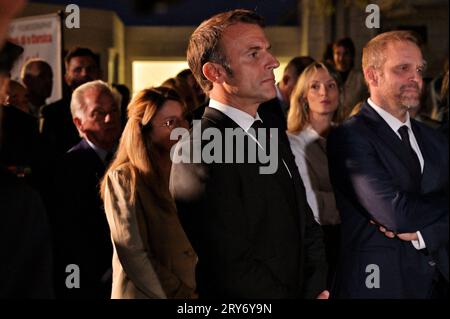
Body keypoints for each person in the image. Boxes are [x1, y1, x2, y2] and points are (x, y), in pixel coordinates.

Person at [169, 9, 327, 299]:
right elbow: (229, 265)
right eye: (254, 54)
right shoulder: (197, 149)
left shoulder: (269, 131)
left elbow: (305, 222)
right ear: (214, 72)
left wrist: (316, 287)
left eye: (267, 50)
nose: (273, 62)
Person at [327, 30, 449, 299]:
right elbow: (397, 214)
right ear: (372, 75)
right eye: (402, 68)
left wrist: (427, 233)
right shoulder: (349, 136)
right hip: (378, 286)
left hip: (436, 284)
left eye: (419, 69)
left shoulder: (434, 138)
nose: (415, 78)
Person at [101, 86, 196, 299]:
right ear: (145, 131)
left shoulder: (187, 171)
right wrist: (179, 293)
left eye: (184, 119)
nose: (184, 128)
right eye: (170, 123)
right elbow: (133, 252)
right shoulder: (124, 178)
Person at [50, 80, 122, 298]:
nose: (109, 119)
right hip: (87, 278)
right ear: (79, 123)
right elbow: (70, 234)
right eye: (98, 113)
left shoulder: (128, 159)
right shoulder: (68, 167)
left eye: (113, 111)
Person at [287, 62, 344, 288]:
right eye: (315, 86)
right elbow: (311, 204)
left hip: (350, 243)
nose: (324, 92)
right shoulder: (293, 142)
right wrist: (358, 203)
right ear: (303, 97)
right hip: (319, 246)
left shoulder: (349, 136)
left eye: (331, 85)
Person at [41, 47, 101, 156]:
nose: (84, 74)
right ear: (67, 78)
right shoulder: (52, 114)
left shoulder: (114, 110)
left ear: (99, 73)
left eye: (90, 69)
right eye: (77, 70)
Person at [259, 56, 315, 132]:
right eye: (303, 88)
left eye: (313, 87)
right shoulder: (261, 105)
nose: (307, 94)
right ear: (286, 80)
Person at [332, 37, 368, 117]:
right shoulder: (328, 77)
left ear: (352, 55)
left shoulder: (361, 77)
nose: (341, 58)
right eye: (338, 53)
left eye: (346, 54)